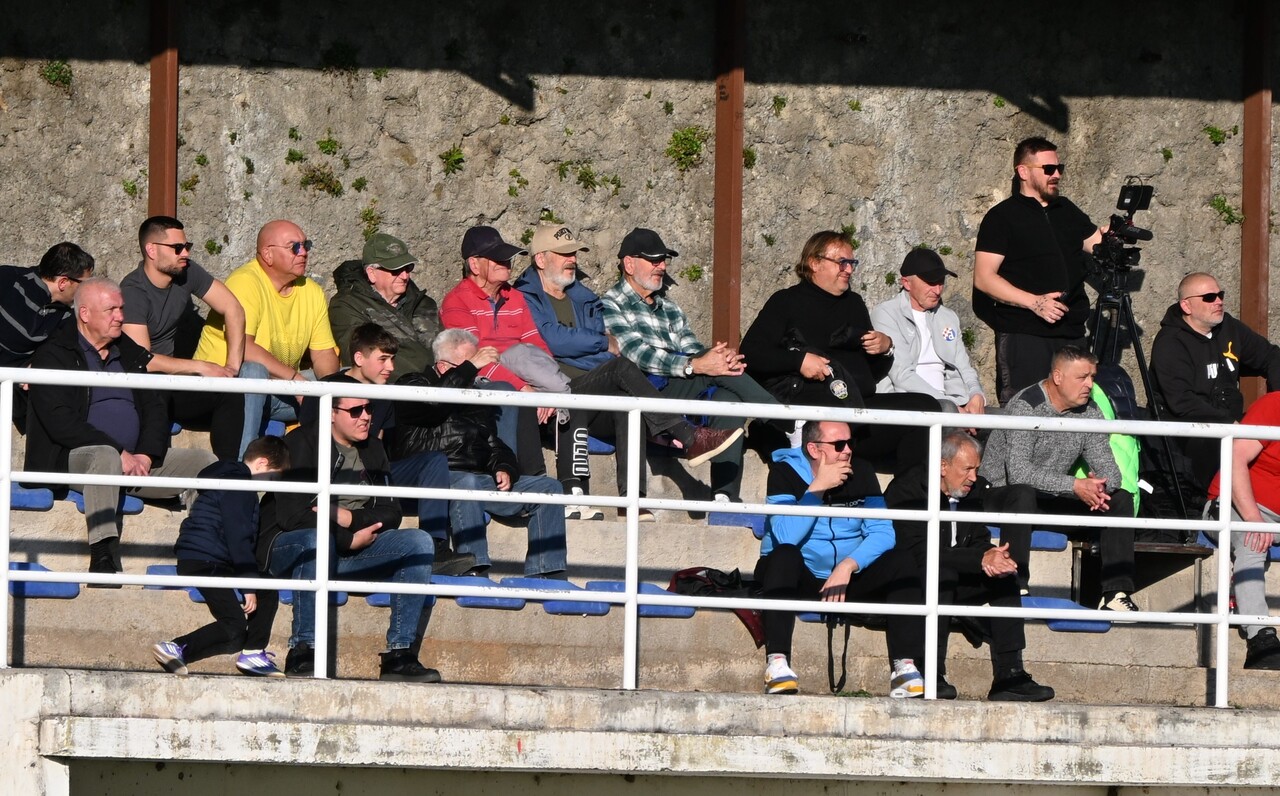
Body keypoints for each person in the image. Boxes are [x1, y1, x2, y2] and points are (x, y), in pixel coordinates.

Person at [513, 221, 743, 519]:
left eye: (574, 253)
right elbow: (552, 340)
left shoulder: (582, 298)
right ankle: (687, 436)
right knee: (621, 368)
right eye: (564, 254)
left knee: (626, 403)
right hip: (561, 389)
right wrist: (598, 343)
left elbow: (601, 349)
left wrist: (587, 348)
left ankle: (632, 500)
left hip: (591, 387)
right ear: (541, 259)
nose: (573, 260)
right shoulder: (524, 297)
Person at [25, 277, 216, 576]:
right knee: (104, 455)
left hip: (135, 462)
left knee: (205, 462)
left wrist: (146, 454)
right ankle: (103, 555)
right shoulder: (54, 354)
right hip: (74, 459)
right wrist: (118, 451)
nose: (120, 316)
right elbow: (61, 422)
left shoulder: (128, 351)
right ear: (85, 314)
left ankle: (200, 550)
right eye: (111, 310)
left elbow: (155, 406)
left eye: (121, 308)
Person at [256, 394, 441, 682]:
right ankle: (304, 649)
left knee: (419, 542)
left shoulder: (373, 448)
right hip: (292, 546)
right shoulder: (301, 442)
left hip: (351, 545)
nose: (366, 416)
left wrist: (349, 519)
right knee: (317, 539)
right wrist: (346, 538)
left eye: (369, 408)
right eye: (356, 410)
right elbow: (292, 516)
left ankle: (399, 656)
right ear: (332, 413)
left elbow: (392, 512)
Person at [740, 230, 938, 475]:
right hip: (814, 414)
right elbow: (751, 353)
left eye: (852, 263)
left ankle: (908, 493)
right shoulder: (786, 302)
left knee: (926, 408)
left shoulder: (853, 303)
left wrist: (885, 349)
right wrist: (799, 361)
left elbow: (871, 374)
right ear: (815, 263)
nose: (849, 270)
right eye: (842, 262)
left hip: (858, 408)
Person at [756, 420, 927, 697]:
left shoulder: (862, 471)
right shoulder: (784, 471)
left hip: (846, 579)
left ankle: (905, 668)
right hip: (800, 576)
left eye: (850, 443)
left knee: (903, 561)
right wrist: (817, 489)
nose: (848, 450)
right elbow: (786, 535)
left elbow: (884, 532)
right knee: (784, 555)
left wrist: (848, 566)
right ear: (813, 449)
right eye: (839, 445)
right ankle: (777, 663)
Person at [602, 227, 770, 503]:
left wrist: (716, 359)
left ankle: (723, 498)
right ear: (629, 264)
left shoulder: (670, 308)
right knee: (714, 369)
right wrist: (696, 365)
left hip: (680, 385)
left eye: (663, 260)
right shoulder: (611, 304)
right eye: (654, 260)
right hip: (648, 392)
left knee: (728, 400)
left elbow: (692, 348)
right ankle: (783, 421)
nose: (662, 266)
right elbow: (637, 355)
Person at [884, 431, 1053, 701]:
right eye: (967, 469)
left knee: (1006, 575)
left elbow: (977, 538)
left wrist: (992, 555)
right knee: (942, 573)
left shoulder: (969, 490)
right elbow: (917, 554)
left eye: (976, 469)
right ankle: (931, 671)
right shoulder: (907, 490)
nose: (974, 477)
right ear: (943, 466)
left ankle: (1010, 674)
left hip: (956, 577)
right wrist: (979, 559)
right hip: (915, 584)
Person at [299, 323, 475, 575]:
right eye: (383, 359)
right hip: (334, 473)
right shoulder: (326, 388)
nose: (391, 367)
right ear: (359, 358)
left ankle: (436, 547)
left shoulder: (384, 395)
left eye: (392, 359)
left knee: (434, 461)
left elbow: (377, 448)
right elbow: (307, 440)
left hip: (372, 472)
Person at [392, 329, 568, 579]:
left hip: (478, 479)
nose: (475, 375)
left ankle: (547, 574)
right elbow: (432, 405)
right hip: (437, 479)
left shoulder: (473, 396)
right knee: (467, 482)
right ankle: (474, 569)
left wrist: (503, 466)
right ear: (443, 366)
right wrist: (469, 368)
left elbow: (494, 443)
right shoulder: (413, 383)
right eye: (470, 366)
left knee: (549, 488)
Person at [978, 346, 1139, 611]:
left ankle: (1115, 594)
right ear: (1058, 377)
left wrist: (1097, 488)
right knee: (1022, 493)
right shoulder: (1027, 405)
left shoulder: (1090, 412)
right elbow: (1018, 473)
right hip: (1001, 494)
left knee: (1120, 498)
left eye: (1092, 377)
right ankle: (1014, 585)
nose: (1090, 385)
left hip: (1049, 497)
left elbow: (1111, 473)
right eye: (1082, 377)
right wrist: (1075, 485)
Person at [972, 136, 1105, 404]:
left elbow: (1098, 245)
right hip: (1026, 335)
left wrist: (1114, 236)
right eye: (1048, 169)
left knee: (1077, 411)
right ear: (1023, 171)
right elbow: (984, 278)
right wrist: (1035, 303)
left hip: (1071, 334)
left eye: (1059, 168)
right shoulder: (1002, 217)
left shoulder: (1066, 209)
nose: (1056, 175)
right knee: (1027, 409)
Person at [194, 219, 340, 453]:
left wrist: (332, 390)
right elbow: (245, 349)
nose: (303, 253)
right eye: (294, 247)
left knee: (356, 378)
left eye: (306, 245)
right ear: (267, 254)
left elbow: (323, 352)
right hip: (228, 391)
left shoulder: (312, 291)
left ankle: (353, 464)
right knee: (254, 372)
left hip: (278, 388)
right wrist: (296, 380)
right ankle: (241, 466)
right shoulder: (245, 282)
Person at [150, 435, 291, 677]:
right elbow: (239, 537)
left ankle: (253, 652)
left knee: (267, 587)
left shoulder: (227, 478)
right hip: (205, 561)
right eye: (272, 477)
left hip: (209, 558)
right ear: (262, 463)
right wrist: (248, 585)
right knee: (234, 625)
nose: (270, 485)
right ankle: (176, 646)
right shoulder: (240, 487)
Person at [120, 215, 250, 460]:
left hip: (174, 383)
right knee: (156, 387)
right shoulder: (133, 292)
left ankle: (229, 470)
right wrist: (201, 366)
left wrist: (232, 367)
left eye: (187, 246)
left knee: (230, 392)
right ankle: (152, 468)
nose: (186, 253)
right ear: (151, 250)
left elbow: (233, 308)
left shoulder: (186, 272)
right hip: (142, 386)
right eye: (177, 247)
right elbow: (143, 361)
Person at [1150, 272, 1280, 493]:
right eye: (1209, 297)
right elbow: (1182, 402)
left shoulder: (1229, 328)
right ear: (1186, 306)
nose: (1218, 301)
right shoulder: (1170, 343)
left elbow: (1271, 356)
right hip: (1191, 434)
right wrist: (1231, 424)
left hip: (1233, 425)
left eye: (1220, 295)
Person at [1204, 391, 1280, 669]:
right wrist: (1253, 518)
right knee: (1252, 539)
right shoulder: (1274, 405)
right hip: (1235, 504)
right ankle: (1261, 639)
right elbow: (1235, 458)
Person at [871, 248, 987, 415]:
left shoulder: (948, 317)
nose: (938, 290)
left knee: (1003, 418)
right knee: (947, 410)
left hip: (952, 401)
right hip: (906, 402)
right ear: (906, 283)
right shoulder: (886, 314)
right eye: (931, 283)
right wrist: (950, 407)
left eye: (941, 282)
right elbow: (902, 375)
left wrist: (976, 394)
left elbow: (964, 366)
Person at [0, 242, 95, 432]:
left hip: (14, 392)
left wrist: (35, 364)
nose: (87, 292)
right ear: (63, 282)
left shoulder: (66, 317)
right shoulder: (8, 279)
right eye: (84, 284)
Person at [328, 232, 441, 375]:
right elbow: (367, 357)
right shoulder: (347, 306)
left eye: (408, 268)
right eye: (396, 270)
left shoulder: (423, 303)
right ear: (372, 273)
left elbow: (444, 348)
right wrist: (425, 378)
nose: (405, 276)